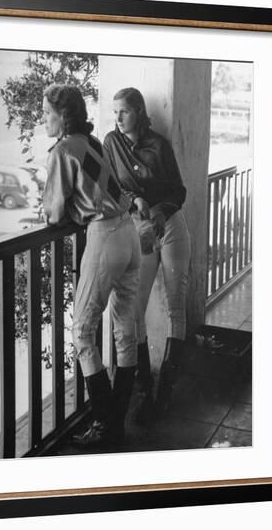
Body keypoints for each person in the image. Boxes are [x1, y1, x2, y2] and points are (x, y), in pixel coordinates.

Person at [42, 84, 141, 447]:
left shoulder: (63, 150)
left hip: (104, 238)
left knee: (82, 331)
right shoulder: (94, 144)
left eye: (48, 114)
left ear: (64, 117)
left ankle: (106, 423)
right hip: (129, 234)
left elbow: (53, 214)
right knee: (125, 329)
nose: (44, 120)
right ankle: (116, 419)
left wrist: (63, 208)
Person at [103, 87, 191, 423]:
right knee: (134, 309)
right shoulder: (112, 142)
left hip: (169, 226)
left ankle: (165, 390)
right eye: (115, 112)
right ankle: (144, 386)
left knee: (175, 304)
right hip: (140, 230)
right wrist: (134, 201)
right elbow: (111, 186)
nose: (118, 118)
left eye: (123, 111)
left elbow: (178, 191)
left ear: (139, 111)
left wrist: (157, 210)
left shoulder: (159, 145)